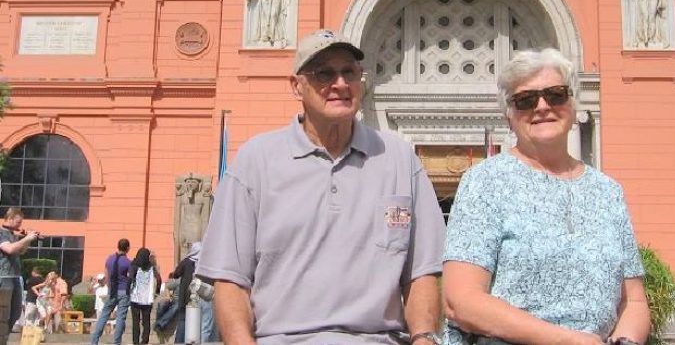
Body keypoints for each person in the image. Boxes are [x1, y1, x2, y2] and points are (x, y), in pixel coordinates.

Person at [198, 29, 445, 345]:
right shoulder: (255, 162)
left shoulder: (400, 159)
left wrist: (424, 337)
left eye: (349, 72)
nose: (340, 84)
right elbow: (230, 279)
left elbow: (421, 271)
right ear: (296, 86)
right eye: (324, 74)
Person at [442, 48, 650, 345]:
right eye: (525, 100)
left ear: (574, 104)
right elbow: (460, 301)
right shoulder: (486, 181)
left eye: (555, 95)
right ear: (509, 117)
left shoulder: (608, 191)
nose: (542, 106)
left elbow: (634, 302)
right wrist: (569, 341)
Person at [0, 208, 40, 332]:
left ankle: (4, 336)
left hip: (15, 276)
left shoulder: (13, 234)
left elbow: (20, 250)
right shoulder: (2, 233)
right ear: (10, 219)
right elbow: (9, 249)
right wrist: (27, 238)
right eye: (18, 222)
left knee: (16, 311)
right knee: (3, 312)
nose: (19, 225)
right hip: (4, 276)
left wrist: (28, 239)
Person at [90, 238, 132, 345]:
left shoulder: (109, 259)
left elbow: (107, 275)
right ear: (127, 248)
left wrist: (109, 287)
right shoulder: (128, 262)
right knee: (120, 318)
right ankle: (116, 342)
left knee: (103, 316)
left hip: (112, 291)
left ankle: (94, 341)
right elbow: (130, 278)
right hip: (123, 291)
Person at [168, 242, 199, 343]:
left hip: (185, 296)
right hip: (199, 297)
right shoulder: (202, 262)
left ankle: (179, 342)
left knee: (183, 320)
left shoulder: (186, 262)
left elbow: (176, 274)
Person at [129, 247, 161, 345]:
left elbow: (130, 278)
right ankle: (144, 341)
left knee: (135, 322)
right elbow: (159, 280)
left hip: (135, 298)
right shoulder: (152, 267)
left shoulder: (134, 265)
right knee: (146, 321)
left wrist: (128, 291)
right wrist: (157, 293)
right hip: (147, 299)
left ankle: (135, 342)